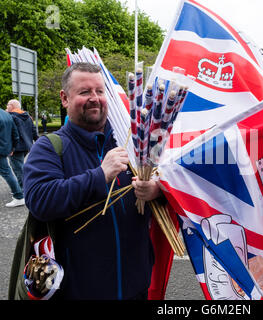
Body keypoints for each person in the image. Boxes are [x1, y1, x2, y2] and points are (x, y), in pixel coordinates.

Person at [23, 62, 161, 299]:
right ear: (65, 98)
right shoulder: (48, 147)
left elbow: (168, 190)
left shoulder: (132, 142)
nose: (95, 98)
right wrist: (100, 175)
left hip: (136, 286)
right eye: (84, 92)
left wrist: (157, 190)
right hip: (80, 291)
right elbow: (40, 200)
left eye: (99, 91)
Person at [6, 99, 39, 190]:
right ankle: (28, 185)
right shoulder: (27, 116)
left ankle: (24, 189)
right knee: (21, 166)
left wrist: (11, 148)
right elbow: (33, 131)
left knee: (18, 169)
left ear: (12, 106)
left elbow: (13, 134)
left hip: (16, 148)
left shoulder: (11, 117)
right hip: (26, 146)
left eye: (8, 105)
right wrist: (38, 142)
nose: (6, 107)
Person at [0, 108, 25, 207]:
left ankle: (18, 196)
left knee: (7, 172)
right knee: (7, 172)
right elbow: (15, 133)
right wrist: (13, 147)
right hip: (6, 148)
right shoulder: (6, 114)